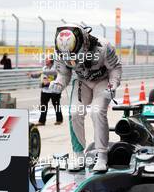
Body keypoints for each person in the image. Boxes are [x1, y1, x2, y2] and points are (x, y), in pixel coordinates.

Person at [49, 24, 122, 172]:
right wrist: (58, 83)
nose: (71, 59)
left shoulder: (104, 47)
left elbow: (115, 67)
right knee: (75, 113)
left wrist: (113, 84)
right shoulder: (59, 52)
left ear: (85, 43)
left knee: (97, 112)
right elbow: (64, 74)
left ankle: (102, 156)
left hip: (103, 81)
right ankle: (78, 156)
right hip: (82, 81)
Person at [29, 55, 63, 126]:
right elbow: (39, 75)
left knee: (56, 105)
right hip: (45, 90)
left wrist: (48, 82)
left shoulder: (55, 69)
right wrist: (31, 75)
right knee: (43, 106)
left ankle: (59, 119)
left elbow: (56, 77)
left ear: (51, 61)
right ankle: (42, 121)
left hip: (54, 90)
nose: (46, 61)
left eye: (47, 60)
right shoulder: (44, 68)